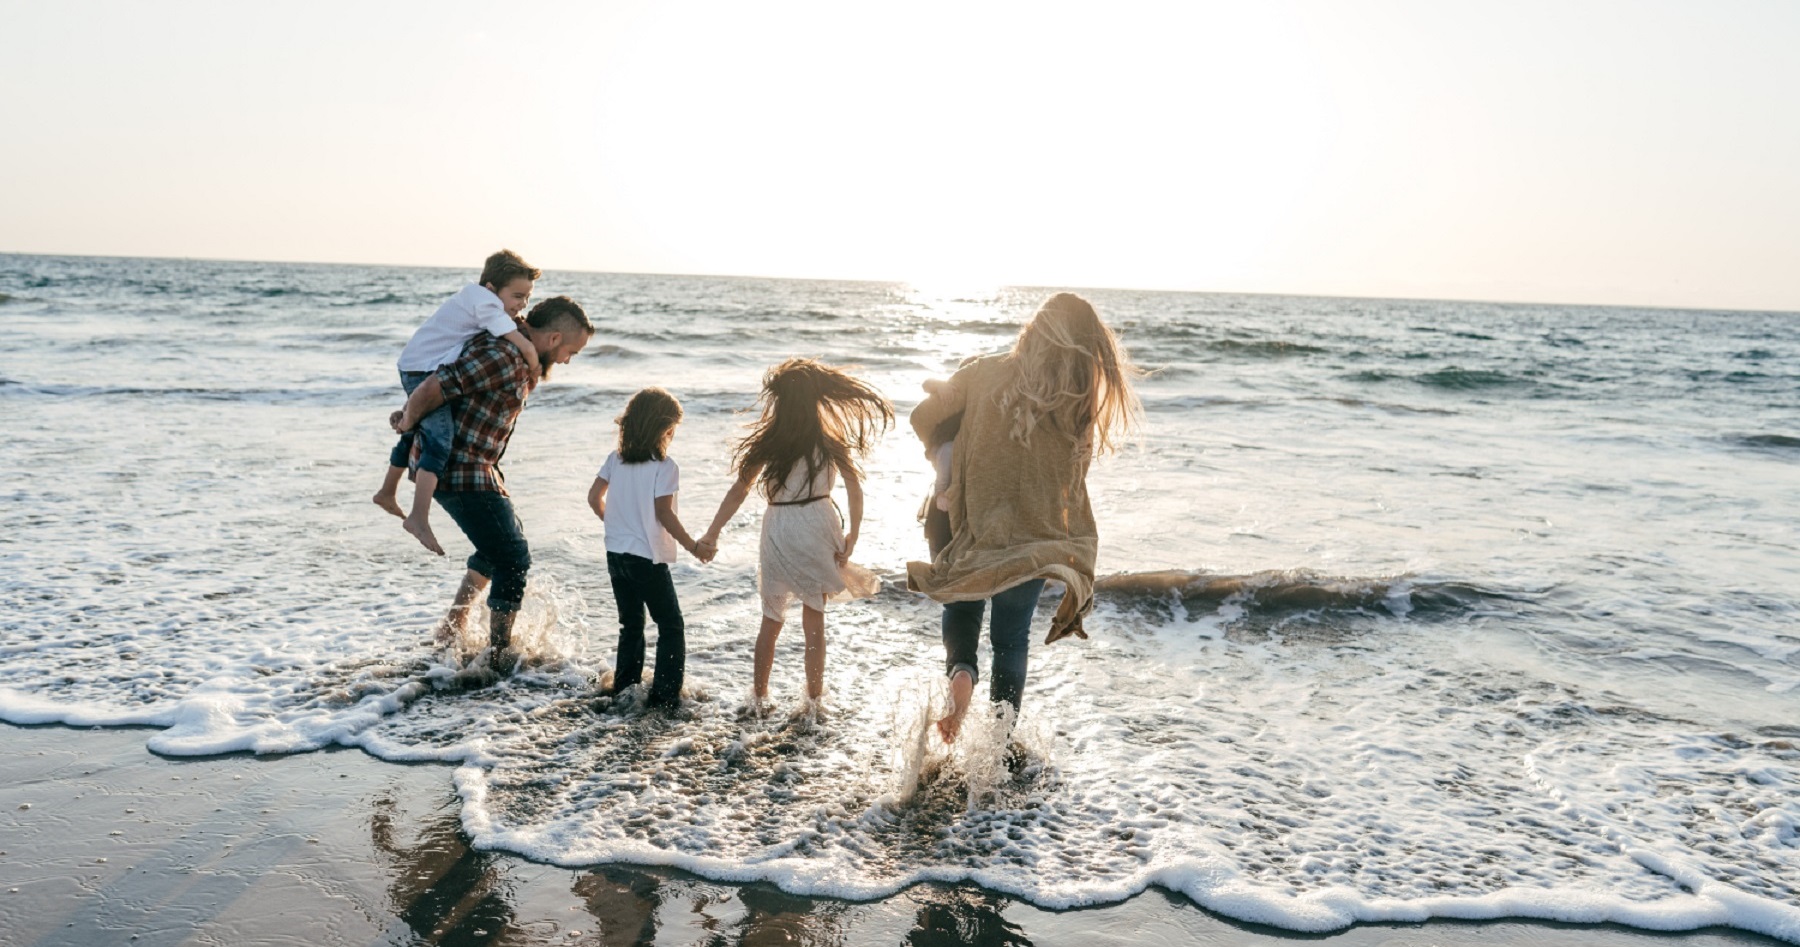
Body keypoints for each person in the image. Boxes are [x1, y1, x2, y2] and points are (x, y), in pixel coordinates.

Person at [906, 293, 1143, 743]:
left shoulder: (981, 372)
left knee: (962, 606)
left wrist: (945, 448)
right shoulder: (1075, 404)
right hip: (1032, 542)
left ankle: (960, 677)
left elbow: (923, 417)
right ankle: (998, 745)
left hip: (968, 526)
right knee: (1011, 641)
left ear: (1033, 330)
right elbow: (1075, 475)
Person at [390, 295, 594, 673]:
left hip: (478, 467)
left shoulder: (517, 351)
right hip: (458, 469)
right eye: (571, 351)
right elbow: (436, 386)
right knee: (513, 557)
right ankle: (499, 656)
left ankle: (451, 629)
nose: (568, 360)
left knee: (497, 545)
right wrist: (407, 421)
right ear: (552, 339)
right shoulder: (504, 356)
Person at [695, 358, 892, 705]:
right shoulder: (831, 441)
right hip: (818, 522)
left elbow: (738, 490)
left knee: (771, 620)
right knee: (814, 621)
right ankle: (813, 701)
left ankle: (758, 698)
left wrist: (712, 533)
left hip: (779, 527)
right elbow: (854, 487)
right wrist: (854, 534)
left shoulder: (771, 441)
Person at [375, 249, 542, 557]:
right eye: (517, 296)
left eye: (527, 298)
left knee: (414, 431)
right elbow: (512, 336)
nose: (522, 306)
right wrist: (532, 356)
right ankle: (418, 517)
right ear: (492, 288)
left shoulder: (479, 300)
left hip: (419, 365)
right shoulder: (485, 302)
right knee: (440, 441)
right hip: (422, 370)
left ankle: (387, 491)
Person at [588, 387, 710, 708]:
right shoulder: (664, 466)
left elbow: (593, 498)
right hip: (646, 558)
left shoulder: (616, 460)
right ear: (663, 428)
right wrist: (694, 546)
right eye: (672, 429)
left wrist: (616, 525)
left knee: (631, 624)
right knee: (670, 624)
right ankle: (665, 695)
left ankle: (624, 689)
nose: (673, 435)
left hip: (615, 553)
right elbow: (663, 512)